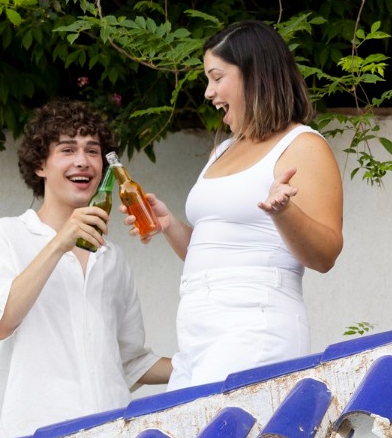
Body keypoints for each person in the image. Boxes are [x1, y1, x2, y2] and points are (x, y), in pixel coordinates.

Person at [140, 20, 343, 391]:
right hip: (196, 332)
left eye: (217, 77)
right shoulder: (223, 150)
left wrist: (285, 212)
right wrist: (171, 225)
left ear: (255, 74)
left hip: (255, 326)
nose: (208, 92)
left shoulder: (303, 145)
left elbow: (325, 255)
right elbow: (222, 256)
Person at [0, 100, 171, 438]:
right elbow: (0, 321)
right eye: (67, 149)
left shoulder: (112, 257)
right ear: (40, 166)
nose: (83, 160)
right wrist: (60, 243)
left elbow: (132, 363)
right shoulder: (6, 235)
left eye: (93, 151)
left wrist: (209, 363)